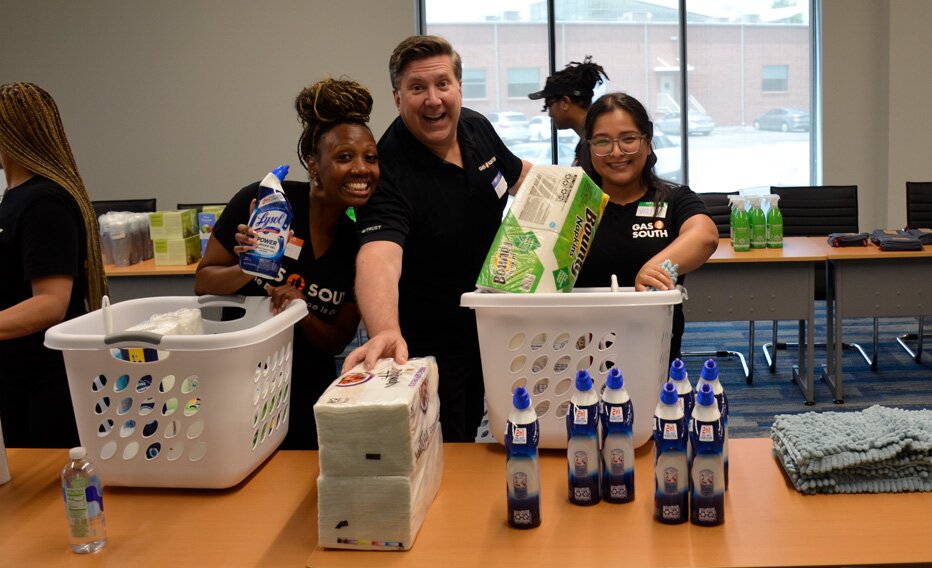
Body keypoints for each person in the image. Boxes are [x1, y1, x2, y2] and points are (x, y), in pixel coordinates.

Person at [344, 35, 532, 443]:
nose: (433, 99)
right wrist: (385, 329)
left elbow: (521, 178)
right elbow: (379, 256)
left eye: (442, 84)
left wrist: (584, 193)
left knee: (492, 425)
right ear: (397, 97)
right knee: (450, 443)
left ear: (459, 87)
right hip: (430, 341)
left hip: (489, 321)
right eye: (417, 88)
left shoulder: (476, 128)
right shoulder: (388, 166)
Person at [195, 78, 378, 450]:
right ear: (313, 162)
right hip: (237, 382)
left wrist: (299, 311)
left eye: (370, 157)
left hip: (307, 393)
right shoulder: (264, 203)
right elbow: (204, 283)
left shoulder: (358, 244)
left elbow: (337, 339)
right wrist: (249, 266)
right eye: (344, 157)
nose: (362, 168)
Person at [0, 82, 109, 448]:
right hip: (16, 377)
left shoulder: (43, 202)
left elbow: (50, 303)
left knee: (52, 496)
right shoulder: (15, 199)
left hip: (46, 384)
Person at [575, 92, 719, 360]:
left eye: (628, 139)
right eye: (603, 141)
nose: (616, 152)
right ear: (590, 147)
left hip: (655, 350)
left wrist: (653, 269)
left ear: (648, 143)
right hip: (581, 354)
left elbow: (705, 236)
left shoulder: (674, 198)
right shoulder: (574, 205)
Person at [528, 56, 609, 163]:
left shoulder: (596, 144)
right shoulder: (586, 142)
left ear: (565, 103)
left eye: (549, 104)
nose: (550, 114)